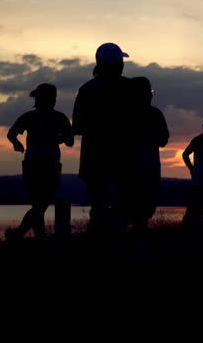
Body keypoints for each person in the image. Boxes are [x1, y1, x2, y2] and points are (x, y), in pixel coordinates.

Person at [71, 42, 134, 234]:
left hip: (94, 157)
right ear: (119, 64)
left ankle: (98, 240)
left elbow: (78, 126)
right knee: (126, 201)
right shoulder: (129, 88)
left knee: (99, 202)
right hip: (123, 156)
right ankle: (119, 238)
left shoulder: (87, 89)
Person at [6, 83, 74, 241]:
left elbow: (11, 134)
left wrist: (17, 143)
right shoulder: (57, 117)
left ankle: (29, 236)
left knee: (39, 204)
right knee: (40, 204)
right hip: (44, 164)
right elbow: (70, 141)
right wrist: (17, 143)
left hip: (35, 163)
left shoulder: (33, 117)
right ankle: (23, 234)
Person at [127, 76, 169, 233]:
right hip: (146, 170)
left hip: (129, 170)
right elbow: (163, 139)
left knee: (136, 210)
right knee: (144, 211)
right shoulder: (155, 114)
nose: (152, 95)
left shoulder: (123, 114)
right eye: (150, 92)